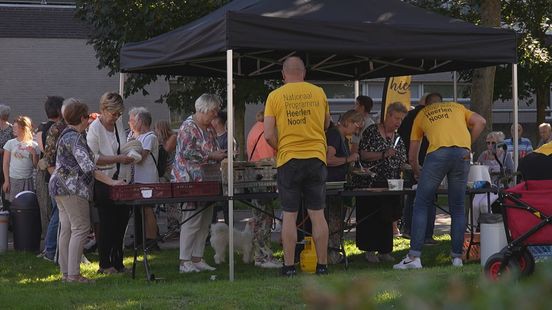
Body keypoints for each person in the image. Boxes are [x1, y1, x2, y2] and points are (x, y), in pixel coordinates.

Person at [393, 92, 486, 270]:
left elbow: (412, 154)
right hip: (462, 154)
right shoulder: (458, 107)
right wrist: (467, 144)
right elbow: (481, 122)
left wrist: (416, 170)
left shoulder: (421, 114)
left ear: (426, 105)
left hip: (437, 154)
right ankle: (457, 258)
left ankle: (414, 257)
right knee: (458, 206)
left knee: (421, 203)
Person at [264, 56, 330, 276]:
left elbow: (267, 134)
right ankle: (322, 265)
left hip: (289, 159)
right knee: (317, 214)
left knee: (290, 215)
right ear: (304, 73)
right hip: (316, 158)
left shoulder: (275, 96)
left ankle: (289, 266)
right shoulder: (318, 92)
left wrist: (281, 146)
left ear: (283, 74)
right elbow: (326, 124)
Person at [49, 98, 124, 283]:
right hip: (73, 188)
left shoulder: (65, 134)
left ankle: (66, 273)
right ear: (82, 118)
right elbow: (88, 167)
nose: (89, 119)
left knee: (67, 228)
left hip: (59, 186)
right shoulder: (75, 138)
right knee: (80, 228)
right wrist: (112, 182)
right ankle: (74, 275)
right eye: (87, 116)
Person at [173, 93, 226, 273]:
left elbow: (213, 148)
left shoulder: (209, 128)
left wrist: (222, 154)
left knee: (205, 220)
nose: (215, 115)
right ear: (203, 110)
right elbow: (187, 152)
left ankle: (197, 258)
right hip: (189, 179)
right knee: (192, 220)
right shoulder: (188, 127)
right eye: (213, 112)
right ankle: (184, 261)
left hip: (207, 180)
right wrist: (211, 155)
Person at [87, 91, 134, 274]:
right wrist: (118, 159)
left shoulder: (118, 124)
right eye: (113, 114)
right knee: (107, 224)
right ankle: (105, 264)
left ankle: (118, 262)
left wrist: (129, 154)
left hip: (121, 179)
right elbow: (92, 158)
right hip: (104, 181)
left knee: (121, 222)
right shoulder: (95, 128)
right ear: (104, 110)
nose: (115, 117)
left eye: (118, 114)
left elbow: (122, 146)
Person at [356, 102, 407, 263]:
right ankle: (369, 250)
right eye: (396, 118)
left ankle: (385, 250)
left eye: (401, 119)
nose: (398, 122)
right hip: (371, 181)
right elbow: (363, 155)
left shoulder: (398, 137)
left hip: (391, 182)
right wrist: (383, 154)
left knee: (387, 216)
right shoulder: (372, 131)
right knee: (370, 215)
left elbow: (401, 159)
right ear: (388, 116)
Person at [397, 94, 436, 244]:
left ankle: (408, 229)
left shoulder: (410, 116)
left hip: (410, 159)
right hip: (425, 159)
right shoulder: (426, 116)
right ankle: (425, 235)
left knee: (412, 196)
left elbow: (402, 135)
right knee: (428, 198)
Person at [325, 110, 363, 264]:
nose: (357, 130)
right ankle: (331, 255)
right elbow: (328, 159)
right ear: (348, 121)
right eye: (356, 125)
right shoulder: (334, 135)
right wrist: (349, 159)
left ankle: (334, 254)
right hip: (332, 186)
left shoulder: (341, 137)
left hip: (338, 184)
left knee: (338, 221)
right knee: (334, 220)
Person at [246, 109, 280, 268]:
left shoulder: (255, 128)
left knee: (261, 218)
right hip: (263, 180)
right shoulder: (263, 133)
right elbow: (270, 161)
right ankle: (263, 257)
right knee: (263, 219)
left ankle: (261, 255)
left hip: (257, 179)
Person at [37, 96, 66, 262]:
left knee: (55, 212)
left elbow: (42, 152)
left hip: (48, 174)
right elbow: (48, 155)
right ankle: (51, 249)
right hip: (55, 173)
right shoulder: (57, 128)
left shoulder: (41, 128)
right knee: (57, 213)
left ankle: (51, 248)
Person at [128, 107, 159, 248]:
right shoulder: (137, 136)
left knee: (147, 209)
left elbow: (140, 158)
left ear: (141, 121)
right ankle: (142, 239)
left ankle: (152, 240)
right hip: (138, 179)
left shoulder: (150, 137)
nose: (130, 123)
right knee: (140, 210)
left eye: (133, 120)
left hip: (148, 179)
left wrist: (125, 155)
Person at [471, 131, 514, 226]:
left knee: (484, 204)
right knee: (474, 205)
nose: (490, 145)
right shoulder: (484, 155)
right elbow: (478, 168)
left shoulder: (506, 155)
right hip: (484, 186)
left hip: (498, 186)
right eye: (488, 143)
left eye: (493, 143)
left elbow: (511, 173)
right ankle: (473, 230)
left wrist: (500, 173)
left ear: (499, 143)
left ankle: (489, 228)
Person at [2, 116, 39, 202]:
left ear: (24, 129)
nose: (13, 129)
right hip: (13, 179)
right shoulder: (10, 143)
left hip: (27, 180)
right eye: (13, 127)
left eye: (16, 127)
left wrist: (33, 153)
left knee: (26, 204)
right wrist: (6, 181)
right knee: (14, 205)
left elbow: (36, 166)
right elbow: (5, 163)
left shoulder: (34, 145)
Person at [0, 104, 14, 209]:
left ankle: (6, 219)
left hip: (7, 165)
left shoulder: (12, 129)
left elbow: (15, 147)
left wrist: (4, 151)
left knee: (6, 191)